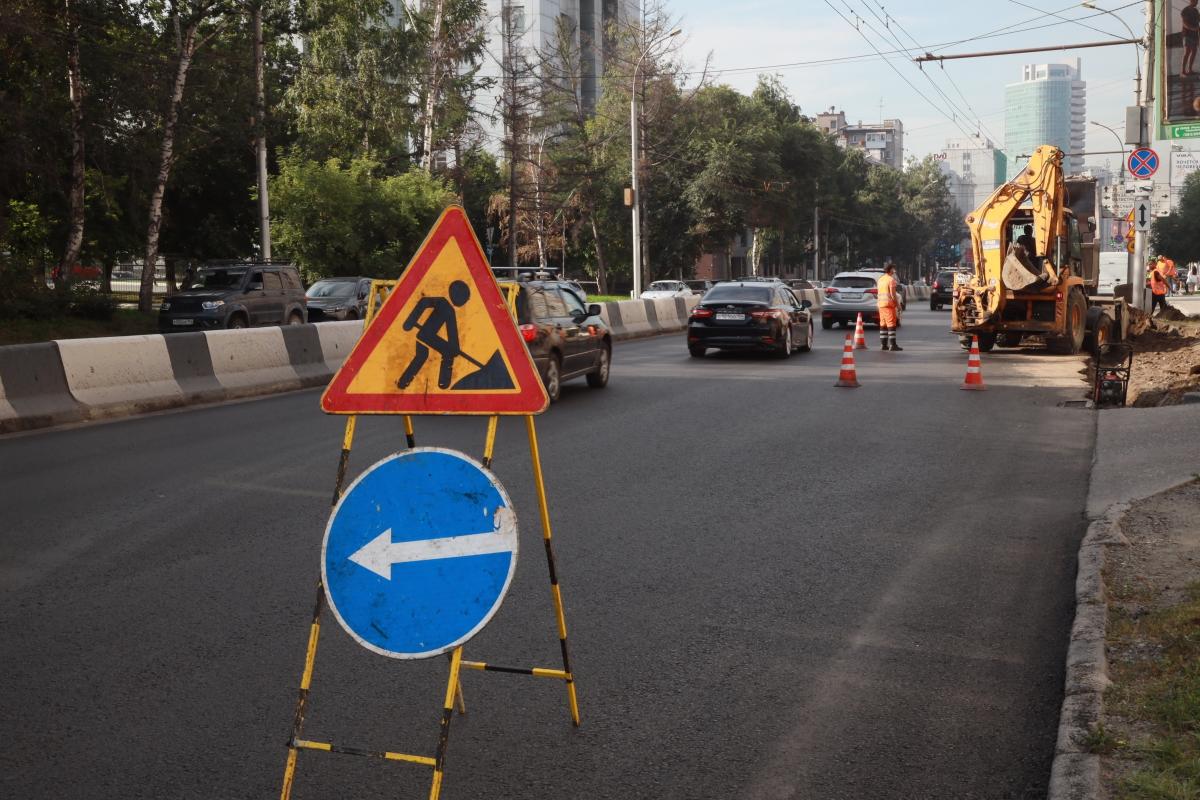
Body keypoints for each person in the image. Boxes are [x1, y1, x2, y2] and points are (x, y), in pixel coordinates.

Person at [876, 263, 903, 351]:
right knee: (891, 324)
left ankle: (883, 345)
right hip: (888, 305)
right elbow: (893, 294)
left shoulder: (880, 279)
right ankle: (893, 345)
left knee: (883, 324)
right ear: (891, 269)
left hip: (881, 305)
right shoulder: (891, 280)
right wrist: (898, 305)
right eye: (893, 269)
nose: (894, 270)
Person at [1184, 0, 1199, 77]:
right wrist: (1192, 28)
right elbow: (1184, 23)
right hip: (1187, 34)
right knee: (1187, 52)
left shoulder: (1196, 10)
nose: (1197, 3)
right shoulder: (1185, 10)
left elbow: (1198, 20)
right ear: (1192, 1)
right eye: (1196, 1)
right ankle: (1183, 71)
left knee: (1194, 51)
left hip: (1195, 35)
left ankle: (1190, 69)